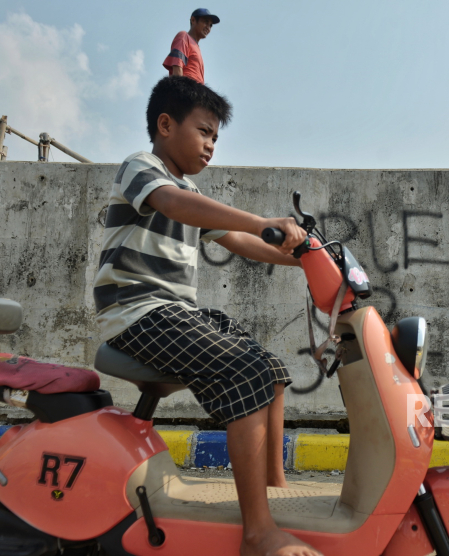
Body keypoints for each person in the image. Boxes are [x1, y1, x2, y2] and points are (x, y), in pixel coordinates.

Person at [92, 76, 320, 556]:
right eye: (204, 131)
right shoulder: (143, 169)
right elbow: (176, 205)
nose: (211, 144)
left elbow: (246, 243)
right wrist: (262, 221)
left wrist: (310, 257)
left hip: (172, 313)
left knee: (273, 371)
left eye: (216, 136)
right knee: (246, 371)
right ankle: (257, 533)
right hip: (136, 311)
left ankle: (275, 491)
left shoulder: (188, 189)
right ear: (165, 124)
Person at [163, 8, 219, 84]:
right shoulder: (184, 36)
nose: (208, 28)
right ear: (193, 20)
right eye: (206, 22)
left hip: (196, 92)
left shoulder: (197, 47)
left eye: (210, 25)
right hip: (186, 91)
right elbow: (177, 66)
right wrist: (180, 92)